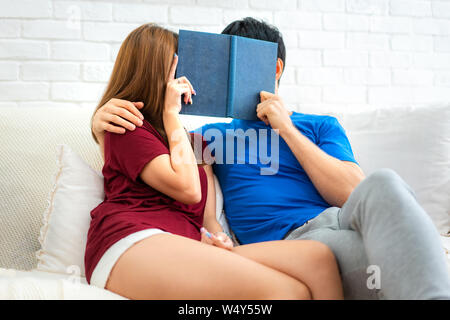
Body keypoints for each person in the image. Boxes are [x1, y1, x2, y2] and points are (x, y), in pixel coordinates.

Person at [91, 19, 450, 299]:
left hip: (346, 219)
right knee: (374, 257)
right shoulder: (209, 136)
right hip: (296, 244)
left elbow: (355, 193)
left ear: (274, 69)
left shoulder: (319, 126)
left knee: (385, 181)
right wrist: (97, 124)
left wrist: (288, 129)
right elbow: (172, 167)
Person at [85, 23, 344, 300]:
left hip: (184, 243)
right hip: (133, 238)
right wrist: (171, 115)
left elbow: (207, 216)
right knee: (286, 292)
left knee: (319, 258)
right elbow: (188, 188)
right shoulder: (128, 126)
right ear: (158, 73)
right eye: (182, 67)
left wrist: (217, 236)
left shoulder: (193, 142)